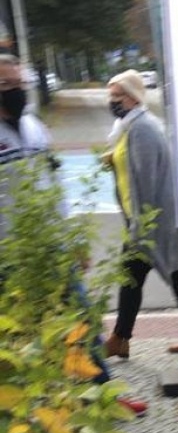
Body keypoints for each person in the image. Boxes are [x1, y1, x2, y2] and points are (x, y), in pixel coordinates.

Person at [0, 55, 147, 414]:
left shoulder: (34, 127)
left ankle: (103, 397)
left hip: (53, 247)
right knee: (18, 334)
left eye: (19, 83)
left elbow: (55, 187)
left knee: (83, 318)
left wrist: (75, 242)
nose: (16, 91)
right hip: (9, 254)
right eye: (6, 85)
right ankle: (31, 412)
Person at [102, 69, 178, 359]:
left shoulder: (142, 129)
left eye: (118, 95)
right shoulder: (129, 127)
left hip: (152, 221)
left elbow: (148, 180)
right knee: (170, 277)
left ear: (134, 97)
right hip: (147, 219)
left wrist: (141, 226)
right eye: (111, 95)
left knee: (134, 278)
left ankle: (119, 339)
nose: (113, 101)